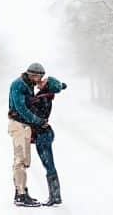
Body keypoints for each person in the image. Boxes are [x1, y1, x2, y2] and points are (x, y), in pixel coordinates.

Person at [7, 63, 48, 207]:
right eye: (38, 76)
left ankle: (22, 191)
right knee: (20, 160)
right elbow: (21, 108)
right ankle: (20, 195)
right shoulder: (18, 85)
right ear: (32, 74)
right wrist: (37, 121)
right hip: (18, 125)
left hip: (25, 126)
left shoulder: (28, 84)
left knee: (25, 161)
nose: (39, 79)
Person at [30, 76, 67, 206]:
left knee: (49, 165)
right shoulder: (43, 96)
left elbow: (38, 116)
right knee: (48, 164)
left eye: (44, 80)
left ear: (47, 85)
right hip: (43, 134)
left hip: (43, 135)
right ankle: (55, 196)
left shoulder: (44, 98)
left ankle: (55, 196)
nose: (41, 80)